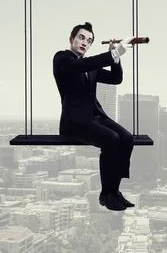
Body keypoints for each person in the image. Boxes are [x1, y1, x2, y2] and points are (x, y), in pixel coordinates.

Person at [53, 21, 136, 211]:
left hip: (96, 116)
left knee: (127, 138)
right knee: (111, 140)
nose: (85, 43)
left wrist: (116, 58)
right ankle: (106, 195)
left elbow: (116, 79)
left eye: (89, 41)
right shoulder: (62, 59)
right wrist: (113, 54)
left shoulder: (89, 66)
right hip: (75, 121)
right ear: (71, 38)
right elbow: (80, 65)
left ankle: (114, 190)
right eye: (81, 37)